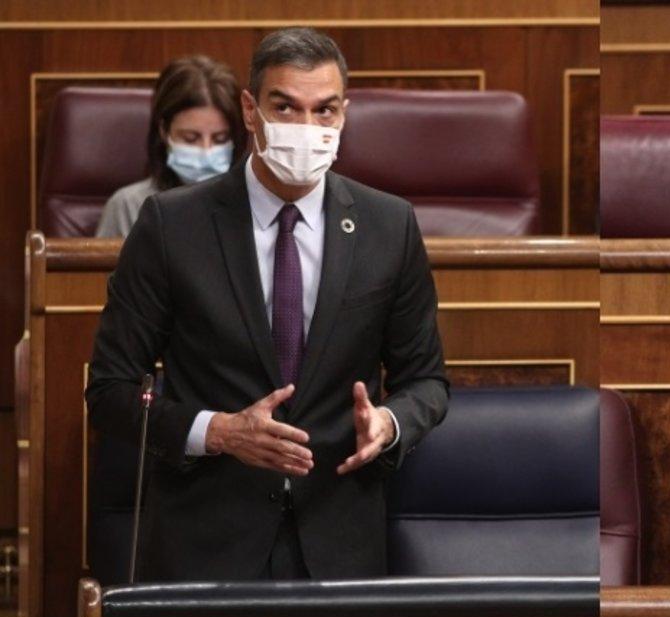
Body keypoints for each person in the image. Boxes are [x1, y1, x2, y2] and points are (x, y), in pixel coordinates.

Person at [86, 27, 449, 581]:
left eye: (324, 111)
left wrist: (389, 423)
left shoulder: (389, 226)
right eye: (286, 107)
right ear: (251, 111)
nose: (307, 128)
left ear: (344, 115)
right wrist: (219, 432)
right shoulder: (169, 225)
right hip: (204, 542)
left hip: (339, 545)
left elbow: (427, 381)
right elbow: (109, 390)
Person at [95, 55, 246, 238]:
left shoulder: (252, 202)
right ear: (164, 131)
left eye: (220, 139)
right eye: (191, 139)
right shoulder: (128, 206)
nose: (206, 151)